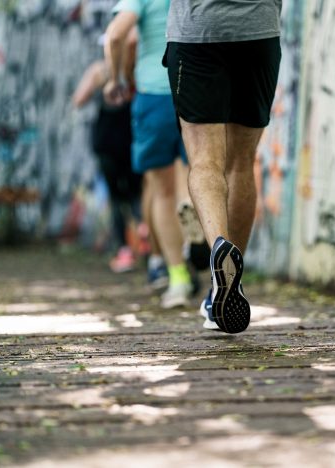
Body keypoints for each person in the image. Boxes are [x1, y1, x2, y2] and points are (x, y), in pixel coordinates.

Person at [164, 1, 282, 333]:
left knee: (204, 161)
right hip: (258, 32)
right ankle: (228, 283)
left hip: (197, 32)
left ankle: (219, 249)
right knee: (242, 163)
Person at [104, 0, 195, 308]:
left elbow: (118, 36)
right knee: (200, 175)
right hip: (197, 89)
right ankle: (197, 238)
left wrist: (117, 78)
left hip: (154, 95)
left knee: (161, 191)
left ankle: (178, 278)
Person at [71, 59, 144, 274]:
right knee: (138, 195)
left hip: (107, 141)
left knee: (116, 198)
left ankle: (125, 251)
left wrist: (98, 83)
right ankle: (149, 247)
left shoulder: (99, 70)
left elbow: (78, 100)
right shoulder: (136, 67)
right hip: (132, 137)